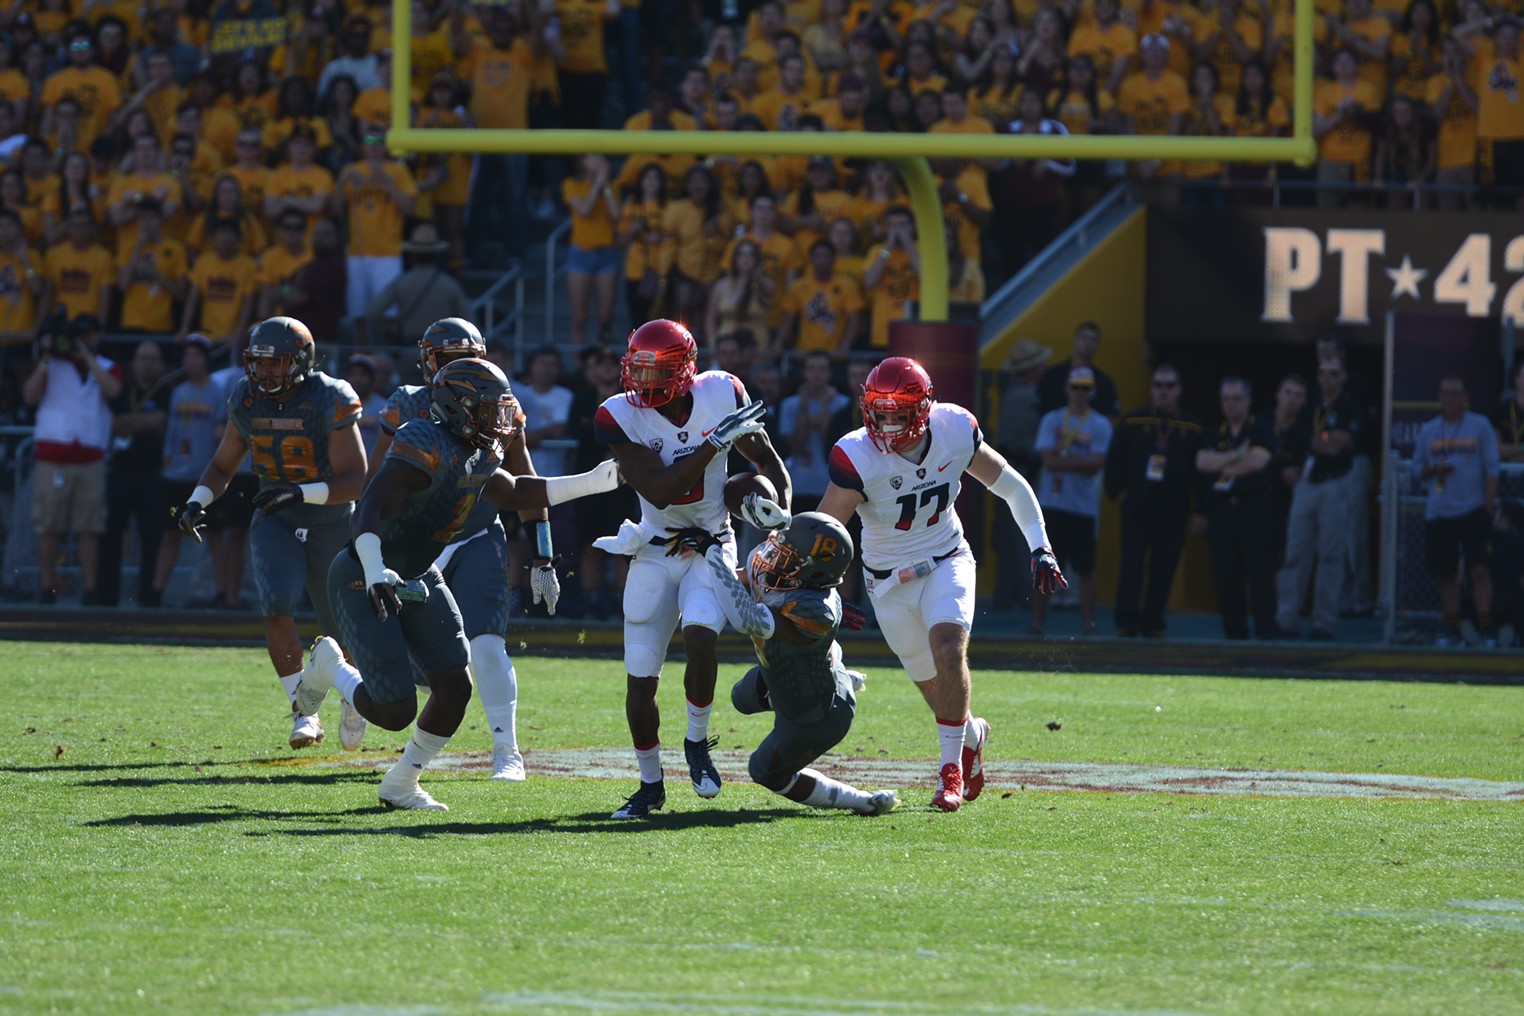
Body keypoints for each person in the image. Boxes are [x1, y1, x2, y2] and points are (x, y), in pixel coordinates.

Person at [296, 358, 620, 809]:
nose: (501, 419)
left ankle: (401, 783)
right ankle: (330, 666)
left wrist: (593, 481)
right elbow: (369, 509)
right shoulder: (422, 438)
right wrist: (373, 571)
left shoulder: (480, 450)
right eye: (490, 409)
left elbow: (516, 492)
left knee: (455, 686)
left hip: (418, 573)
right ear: (459, 407)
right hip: (362, 573)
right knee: (395, 710)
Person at [815, 357, 1065, 810]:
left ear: (924, 409)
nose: (888, 425)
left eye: (898, 414)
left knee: (949, 647)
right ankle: (971, 734)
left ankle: (949, 774)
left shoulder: (953, 429)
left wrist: (1040, 546)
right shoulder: (857, 454)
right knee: (935, 686)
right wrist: (827, 589)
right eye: (880, 413)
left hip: (946, 557)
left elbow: (1011, 486)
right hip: (886, 583)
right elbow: (828, 530)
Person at [590, 318, 790, 819]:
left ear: (683, 370)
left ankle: (697, 742)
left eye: (653, 369)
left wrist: (780, 520)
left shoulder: (723, 392)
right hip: (655, 548)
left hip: (710, 544)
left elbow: (770, 465)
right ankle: (650, 785)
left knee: (701, 636)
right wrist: (715, 443)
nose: (642, 380)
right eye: (636, 367)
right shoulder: (617, 415)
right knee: (641, 679)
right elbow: (659, 490)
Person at [366, 319, 555, 781]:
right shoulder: (408, 405)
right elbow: (377, 487)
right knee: (398, 657)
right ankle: (358, 691)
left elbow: (525, 484)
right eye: (446, 360)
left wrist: (543, 556)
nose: (457, 371)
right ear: (427, 361)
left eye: (464, 358)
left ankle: (506, 750)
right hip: (416, 542)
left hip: (474, 534)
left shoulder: (502, 407)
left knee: (487, 646)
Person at [173, 316, 368, 751]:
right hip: (276, 519)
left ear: (300, 361)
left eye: (276, 363)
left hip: (331, 522)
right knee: (275, 603)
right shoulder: (245, 397)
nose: (265, 373)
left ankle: (355, 699)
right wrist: (197, 501)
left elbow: (356, 479)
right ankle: (304, 712)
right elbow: (224, 465)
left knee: (345, 629)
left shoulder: (330, 397)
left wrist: (298, 492)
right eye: (259, 362)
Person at [667, 513, 897, 816]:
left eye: (786, 556)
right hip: (785, 671)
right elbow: (737, 583)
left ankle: (863, 801)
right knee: (741, 698)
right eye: (778, 549)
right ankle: (837, 673)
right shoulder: (787, 575)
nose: (771, 557)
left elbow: (744, 618)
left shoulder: (812, 608)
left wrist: (713, 551)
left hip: (816, 714)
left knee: (764, 771)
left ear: (810, 572)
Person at [22, 313, 122, 604]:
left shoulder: (107, 366)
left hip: (90, 456)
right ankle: (46, 586)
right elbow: (29, 396)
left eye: (89, 333)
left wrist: (86, 355)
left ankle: (89, 590)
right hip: (53, 454)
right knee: (48, 525)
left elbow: (113, 390)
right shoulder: (50, 364)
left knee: (89, 527)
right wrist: (46, 355)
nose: (83, 338)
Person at [1104, 364, 1203, 638]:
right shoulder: (1133, 421)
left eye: (1170, 386)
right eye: (1159, 385)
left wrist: (1199, 511)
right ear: (1151, 388)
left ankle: (1153, 622)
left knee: (1164, 567)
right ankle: (1126, 621)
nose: (1164, 391)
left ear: (1179, 390)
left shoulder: (1192, 427)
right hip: (1137, 508)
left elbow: (1200, 474)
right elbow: (1115, 462)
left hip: (1174, 511)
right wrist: (1121, 495)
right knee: (1131, 564)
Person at [1275, 356, 1363, 640]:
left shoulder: (1350, 408)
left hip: (1335, 484)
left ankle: (1324, 622)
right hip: (1307, 484)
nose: (1327, 379)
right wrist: (1323, 439)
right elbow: (1298, 440)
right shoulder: (1309, 406)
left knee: (1330, 554)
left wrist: (1315, 440)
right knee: (1295, 552)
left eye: (1333, 374)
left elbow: (1338, 447)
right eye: (1323, 373)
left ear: (1343, 377)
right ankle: (1286, 619)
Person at [1413, 376, 1500, 646]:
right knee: (1447, 572)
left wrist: (1487, 505)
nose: (1451, 398)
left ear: (1465, 397)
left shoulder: (1480, 425)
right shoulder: (1429, 430)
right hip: (1441, 511)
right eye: (1446, 393)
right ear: (1439, 397)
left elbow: (1492, 468)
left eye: (1456, 393)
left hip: (1473, 509)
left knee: (1479, 570)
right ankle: (1451, 627)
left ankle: (1486, 626)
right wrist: (1433, 470)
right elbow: (1416, 469)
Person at [1196, 377, 1279, 640]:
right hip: (1222, 513)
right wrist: (1239, 455)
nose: (1231, 404)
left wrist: (1221, 463)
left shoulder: (1262, 429)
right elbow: (1201, 463)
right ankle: (1235, 633)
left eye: (1237, 399)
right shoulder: (1213, 433)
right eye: (1226, 399)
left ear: (1249, 401)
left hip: (1254, 510)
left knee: (1260, 573)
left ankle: (1266, 632)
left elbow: (1258, 463)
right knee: (1226, 573)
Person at [1031, 367, 1112, 636]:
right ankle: (1037, 624)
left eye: (1085, 388)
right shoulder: (1052, 420)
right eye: (1075, 387)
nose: (1079, 393)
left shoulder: (1100, 424)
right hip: (1053, 505)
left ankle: (1088, 625)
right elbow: (1048, 460)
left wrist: (1063, 460)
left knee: (1086, 568)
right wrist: (1080, 461)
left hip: (1082, 507)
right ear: (1067, 388)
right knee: (1045, 565)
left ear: (1092, 392)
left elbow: (1096, 465)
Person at [152, 335, 222, 607]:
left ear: (206, 359)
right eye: (187, 356)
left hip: (202, 476)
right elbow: (171, 431)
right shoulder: (178, 391)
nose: (191, 361)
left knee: (212, 534)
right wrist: (167, 460)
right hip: (175, 473)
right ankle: (156, 591)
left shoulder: (217, 390)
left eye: (197, 355)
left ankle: (219, 592)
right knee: (170, 533)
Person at [98, 341, 168, 608]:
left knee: (152, 537)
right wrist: (146, 423)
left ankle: (148, 597)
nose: (147, 363)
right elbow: (114, 425)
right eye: (143, 358)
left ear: (161, 365)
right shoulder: (122, 391)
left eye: (153, 358)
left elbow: (161, 420)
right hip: (120, 471)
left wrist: (132, 423)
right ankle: (106, 597)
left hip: (152, 474)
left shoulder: (165, 392)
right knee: (110, 534)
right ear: (134, 363)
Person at [992, 338, 1051, 607]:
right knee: (1019, 537)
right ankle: (1018, 595)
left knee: (1011, 536)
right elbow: (1021, 441)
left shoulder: (1015, 394)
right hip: (1020, 470)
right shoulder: (1025, 397)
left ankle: (1013, 593)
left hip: (1011, 469)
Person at [779, 351, 851, 514]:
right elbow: (794, 446)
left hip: (830, 486)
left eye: (821, 369)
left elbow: (833, 446)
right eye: (811, 368)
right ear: (804, 372)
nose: (816, 374)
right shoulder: (790, 404)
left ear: (830, 373)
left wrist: (825, 407)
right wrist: (803, 409)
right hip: (798, 486)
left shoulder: (844, 404)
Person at [1037, 321, 1121, 417]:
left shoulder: (1104, 382)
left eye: (1094, 340)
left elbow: (1110, 416)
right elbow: (1041, 411)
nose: (1089, 343)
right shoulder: (1052, 376)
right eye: (1084, 338)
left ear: (1098, 345)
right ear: (1075, 340)